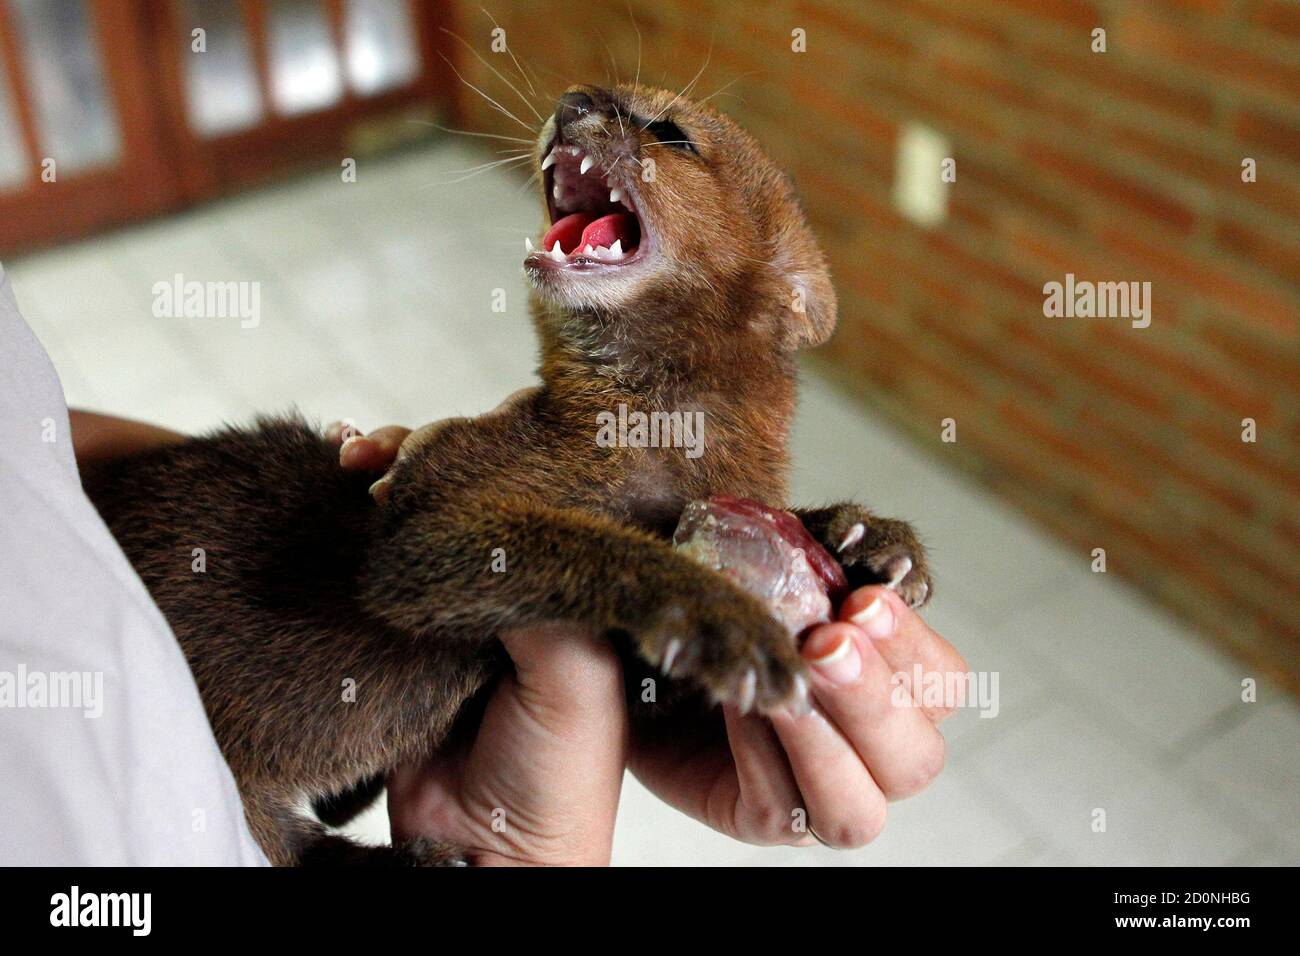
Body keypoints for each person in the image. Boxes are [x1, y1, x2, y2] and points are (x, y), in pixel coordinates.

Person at [0, 262, 965, 865]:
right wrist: (649, 590)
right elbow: (422, 563)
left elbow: (27, 447)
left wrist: (791, 569)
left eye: (669, 136)